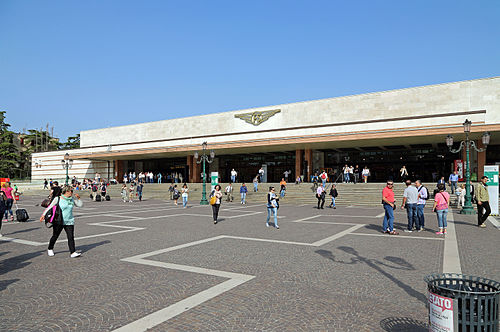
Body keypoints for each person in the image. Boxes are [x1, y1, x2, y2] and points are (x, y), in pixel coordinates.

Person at [40, 185, 82, 258]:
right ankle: (50, 248)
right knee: (55, 236)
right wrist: (43, 215)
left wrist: (79, 198)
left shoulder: (71, 199)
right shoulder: (58, 199)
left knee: (70, 237)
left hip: (69, 221)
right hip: (59, 220)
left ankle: (73, 252)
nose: (72, 193)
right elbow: (49, 207)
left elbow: (80, 205)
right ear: (67, 191)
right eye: (71, 191)